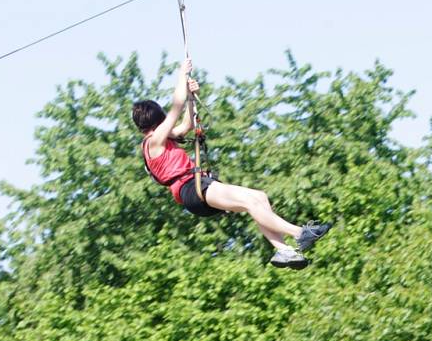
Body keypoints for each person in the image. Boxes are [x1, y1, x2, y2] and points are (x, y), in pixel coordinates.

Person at [132, 59, 331, 269]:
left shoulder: (164, 138)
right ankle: (300, 233)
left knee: (259, 198)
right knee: (250, 203)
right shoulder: (153, 142)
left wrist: (191, 97)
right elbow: (176, 107)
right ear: (157, 119)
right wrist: (182, 74)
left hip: (197, 185)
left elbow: (187, 124)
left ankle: (284, 251)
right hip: (191, 189)